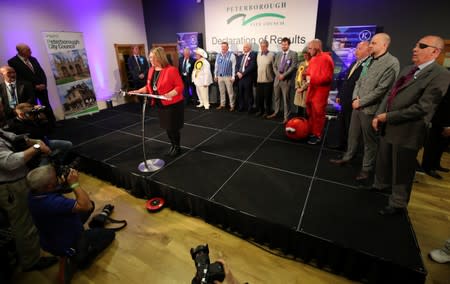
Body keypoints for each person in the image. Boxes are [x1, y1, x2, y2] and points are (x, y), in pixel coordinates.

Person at [371, 35, 450, 215]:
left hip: (408, 132)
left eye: (421, 46)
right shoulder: (408, 69)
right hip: (388, 127)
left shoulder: (441, 75)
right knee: (384, 160)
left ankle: (398, 203)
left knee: (402, 170)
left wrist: (387, 116)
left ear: (435, 51)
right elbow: (391, 94)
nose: (414, 49)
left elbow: (423, 108)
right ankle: (380, 185)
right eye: (415, 45)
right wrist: (378, 116)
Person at [27, 165, 115, 283]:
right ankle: (77, 258)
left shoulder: (33, 194)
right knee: (109, 234)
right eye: (55, 178)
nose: (58, 178)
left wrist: (61, 184)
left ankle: (72, 255)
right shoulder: (54, 203)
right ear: (49, 186)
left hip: (49, 236)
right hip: (67, 242)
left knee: (90, 206)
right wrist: (74, 184)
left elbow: (57, 192)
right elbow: (86, 205)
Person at [330, 33, 400, 180]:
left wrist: (361, 102)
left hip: (371, 109)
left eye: (374, 43)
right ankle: (348, 157)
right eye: (371, 43)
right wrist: (356, 98)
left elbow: (382, 90)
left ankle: (367, 168)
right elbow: (359, 82)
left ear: (384, 45)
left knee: (370, 142)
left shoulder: (392, 63)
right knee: (352, 134)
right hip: (357, 106)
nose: (370, 46)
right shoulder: (369, 61)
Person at [0, 103, 57, 272]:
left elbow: (12, 137)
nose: (3, 111)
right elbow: (10, 162)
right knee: (23, 224)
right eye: (0, 108)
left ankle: (32, 250)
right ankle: (31, 261)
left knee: (26, 220)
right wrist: (37, 147)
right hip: (11, 187)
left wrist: (33, 141)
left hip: (15, 183)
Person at [131, 47, 184, 157]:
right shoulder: (151, 70)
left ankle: (177, 147)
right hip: (161, 104)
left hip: (173, 105)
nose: (150, 59)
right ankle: (173, 146)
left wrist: (169, 94)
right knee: (167, 128)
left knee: (173, 128)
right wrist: (138, 91)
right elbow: (149, 86)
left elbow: (180, 86)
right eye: (149, 57)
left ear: (159, 57)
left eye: (152, 57)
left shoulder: (171, 70)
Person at [6, 103, 73, 166]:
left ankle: (57, 163)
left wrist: (44, 120)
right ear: (21, 115)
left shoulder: (32, 118)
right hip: (34, 152)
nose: (33, 115)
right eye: (30, 113)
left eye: (32, 112)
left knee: (68, 145)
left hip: (45, 142)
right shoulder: (14, 126)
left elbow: (49, 131)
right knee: (43, 168)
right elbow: (31, 137)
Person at [8, 43, 57, 126]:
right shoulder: (13, 62)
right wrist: (34, 86)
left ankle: (52, 123)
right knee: (32, 108)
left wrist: (44, 84)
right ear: (21, 51)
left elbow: (41, 72)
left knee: (47, 105)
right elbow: (19, 78)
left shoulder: (33, 59)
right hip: (29, 90)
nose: (31, 51)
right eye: (28, 50)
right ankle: (38, 125)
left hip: (42, 87)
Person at [335, 41, 371, 147]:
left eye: (359, 49)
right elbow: (347, 81)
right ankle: (342, 145)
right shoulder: (355, 63)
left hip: (354, 101)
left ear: (368, 50)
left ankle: (349, 148)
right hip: (345, 99)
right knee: (343, 123)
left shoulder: (368, 65)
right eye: (356, 48)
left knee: (351, 126)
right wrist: (339, 95)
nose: (356, 51)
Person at [303, 39, 334, 145]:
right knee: (311, 113)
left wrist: (311, 79)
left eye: (310, 48)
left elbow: (328, 78)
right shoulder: (313, 59)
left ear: (317, 48)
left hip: (320, 93)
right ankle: (312, 131)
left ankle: (317, 135)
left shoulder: (326, 59)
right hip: (312, 91)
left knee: (318, 114)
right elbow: (309, 73)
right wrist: (305, 74)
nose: (308, 50)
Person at [420, 86, 450, 179]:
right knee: (432, 144)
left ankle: (436, 164)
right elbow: (444, 105)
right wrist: (446, 125)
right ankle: (427, 167)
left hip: (446, 121)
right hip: (440, 120)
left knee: (442, 144)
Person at [267, 37, 298, 123]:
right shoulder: (278, 54)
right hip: (277, 79)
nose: (283, 46)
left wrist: (283, 75)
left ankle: (286, 117)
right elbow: (274, 66)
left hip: (286, 80)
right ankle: (276, 112)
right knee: (276, 97)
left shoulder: (293, 54)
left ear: (289, 45)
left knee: (286, 99)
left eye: (285, 44)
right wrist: (278, 75)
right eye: (282, 44)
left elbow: (293, 67)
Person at [214, 42, 237, 111]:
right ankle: (222, 104)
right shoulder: (218, 55)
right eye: (222, 46)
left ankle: (232, 105)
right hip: (220, 76)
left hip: (228, 76)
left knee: (230, 92)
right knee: (221, 91)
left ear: (227, 47)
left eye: (224, 46)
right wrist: (215, 75)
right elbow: (216, 66)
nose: (223, 48)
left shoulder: (231, 55)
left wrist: (233, 77)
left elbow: (234, 67)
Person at [255, 39, 275, 117]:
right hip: (259, 80)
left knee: (268, 98)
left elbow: (274, 68)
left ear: (267, 46)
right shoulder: (258, 54)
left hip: (268, 81)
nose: (262, 48)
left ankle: (267, 111)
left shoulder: (271, 55)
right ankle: (261, 111)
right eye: (261, 46)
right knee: (260, 98)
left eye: (264, 46)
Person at [235, 42, 257, 113]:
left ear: (250, 48)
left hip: (248, 77)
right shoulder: (240, 56)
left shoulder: (253, 55)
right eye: (244, 47)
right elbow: (237, 66)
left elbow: (252, 66)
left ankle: (250, 108)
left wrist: (243, 74)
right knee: (240, 93)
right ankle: (241, 107)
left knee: (248, 93)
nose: (244, 48)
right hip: (239, 77)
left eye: (246, 47)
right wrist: (237, 72)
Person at [293, 49, 311, 117]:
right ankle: (299, 123)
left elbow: (310, 79)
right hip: (299, 88)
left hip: (306, 89)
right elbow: (297, 75)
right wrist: (297, 86)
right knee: (299, 109)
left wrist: (302, 88)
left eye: (306, 54)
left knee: (306, 109)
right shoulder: (301, 63)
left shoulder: (312, 64)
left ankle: (306, 124)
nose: (305, 56)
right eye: (304, 54)